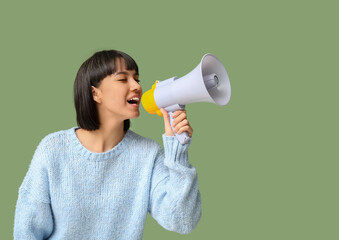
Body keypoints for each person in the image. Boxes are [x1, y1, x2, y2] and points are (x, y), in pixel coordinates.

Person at [13, 50, 202, 240]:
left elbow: (182, 221)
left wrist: (178, 149)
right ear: (95, 92)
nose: (137, 86)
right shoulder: (53, 149)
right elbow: (27, 232)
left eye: (137, 79)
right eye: (123, 79)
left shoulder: (148, 154)